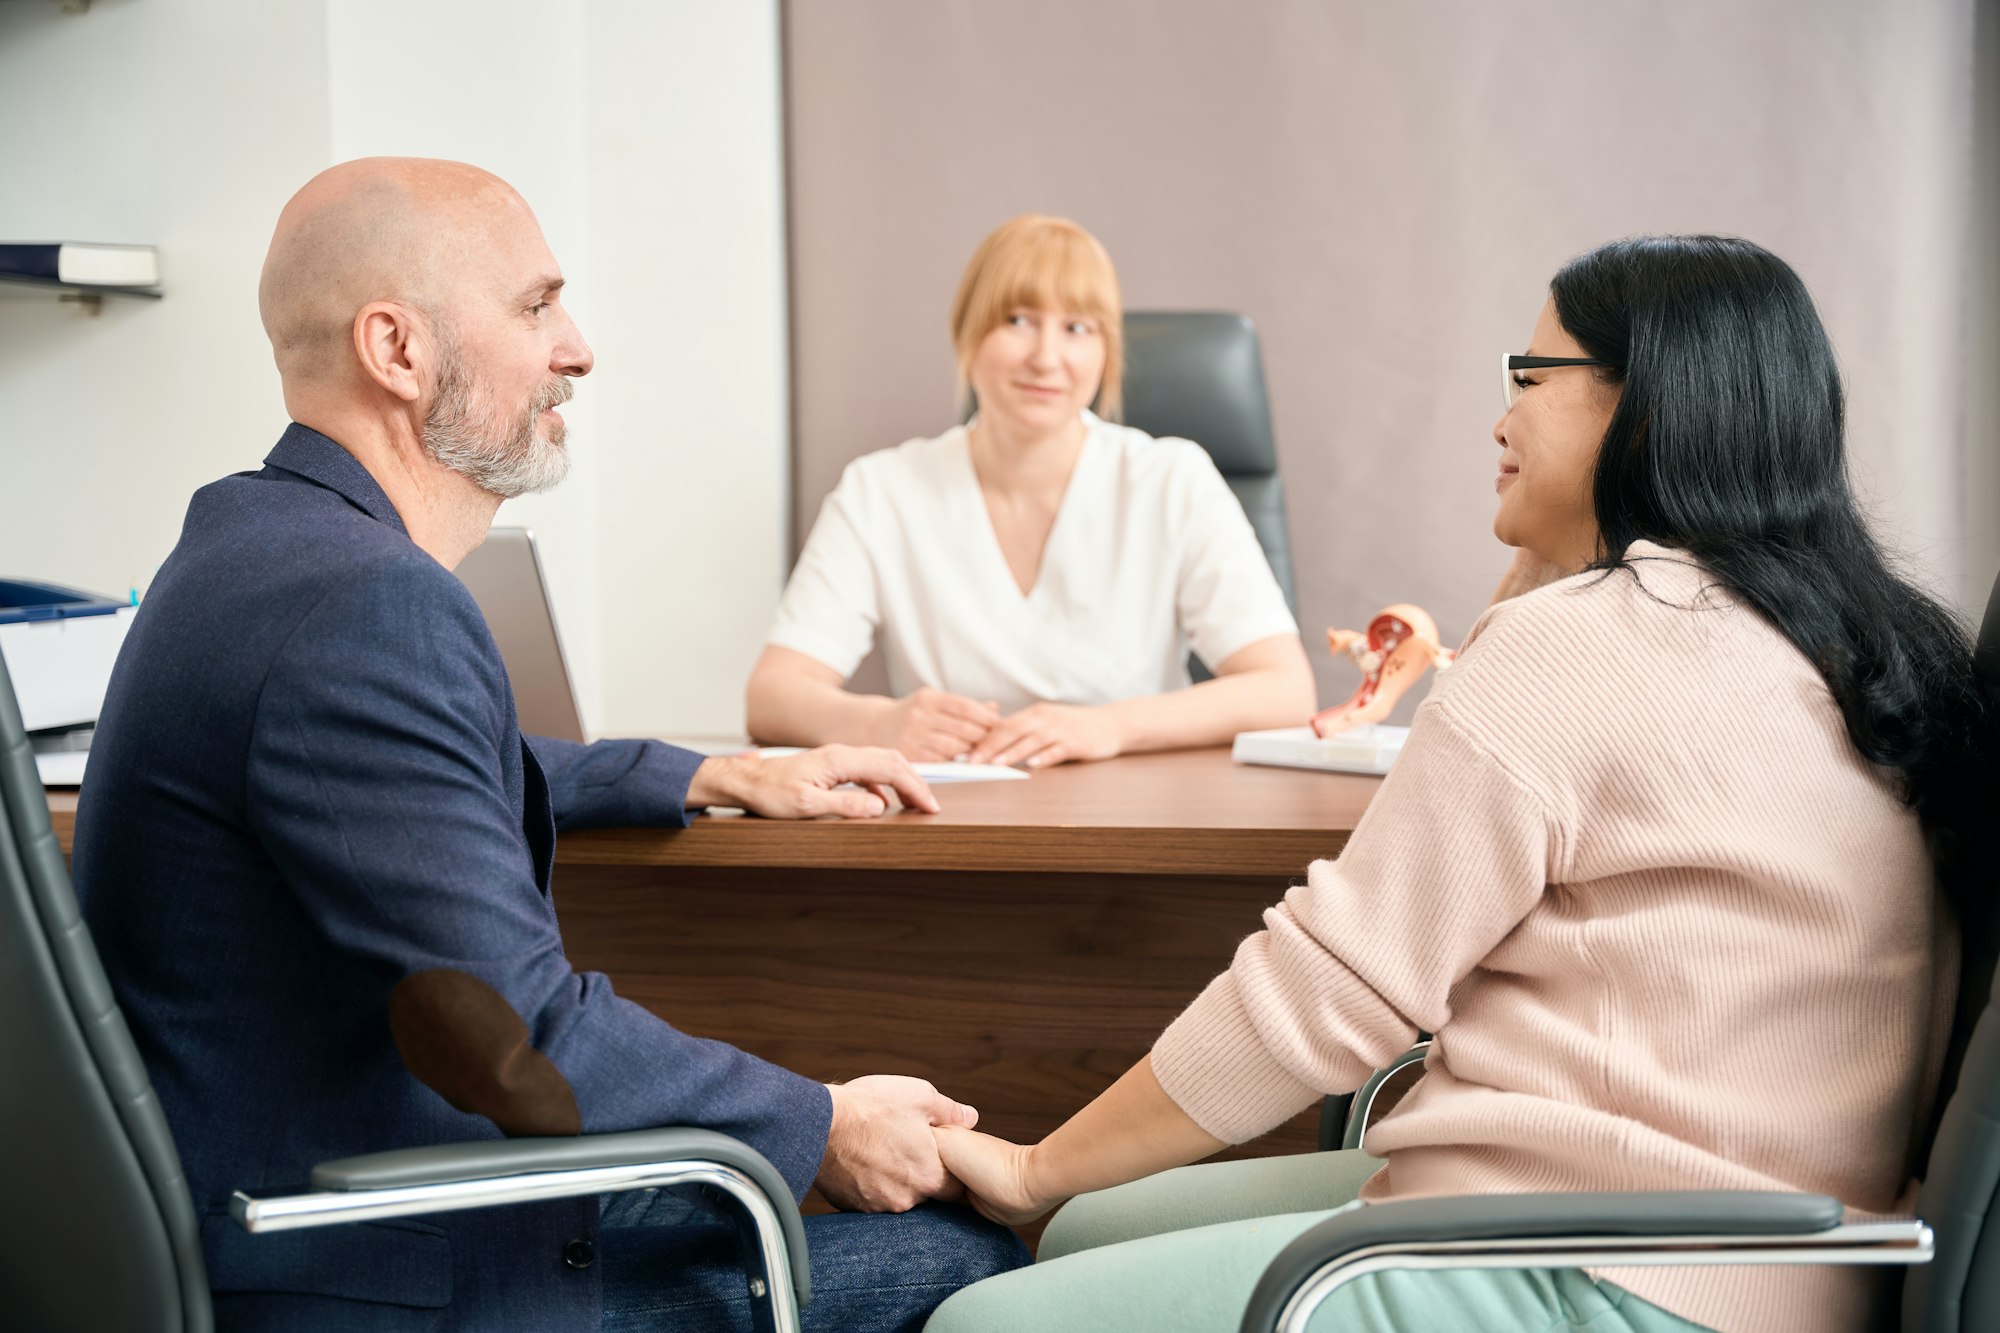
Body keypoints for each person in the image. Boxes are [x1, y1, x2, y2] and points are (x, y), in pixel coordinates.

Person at [922, 235, 1996, 1333]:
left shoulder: (1586, 643)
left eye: (1529, 378)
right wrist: (1560, 564)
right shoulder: (1863, 638)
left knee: (986, 1319)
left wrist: (1031, 1164)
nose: (1499, 419)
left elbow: (1323, 992)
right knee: (1093, 1229)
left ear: (1644, 407)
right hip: (1782, 1244)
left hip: (1614, 1263)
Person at [70, 158, 1025, 1333]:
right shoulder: (368, 609)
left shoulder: (255, 547)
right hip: (365, 1267)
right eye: (535, 306)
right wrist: (823, 1123)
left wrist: (704, 771)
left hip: (319, 1192)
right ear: (399, 350)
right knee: (960, 1262)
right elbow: (528, 1037)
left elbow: (409, 774)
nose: (577, 347)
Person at [745, 214, 1315, 768]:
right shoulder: (882, 489)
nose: (1046, 357)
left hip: (1138, 814)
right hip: (948, 814)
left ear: (1105, 352)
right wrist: (879, 724)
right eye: (1018, 320)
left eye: (1077, 328)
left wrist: (1109, 726)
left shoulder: (1171, 478)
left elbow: (1283, 688)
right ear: (968, 333)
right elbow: (772, 695)